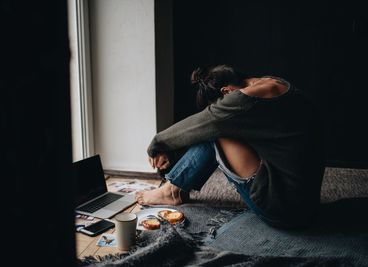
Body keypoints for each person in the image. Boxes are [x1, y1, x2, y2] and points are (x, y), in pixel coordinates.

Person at [135, 64, 324, 228]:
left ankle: (172, 191)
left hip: (283, 211)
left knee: (215, 130)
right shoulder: (274, 83)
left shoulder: (242, 99)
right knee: (218, 125)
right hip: (307, 205)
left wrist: (157, 144)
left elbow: (201, 124)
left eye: (220, 103)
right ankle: (175, 186)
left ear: (227, 91)